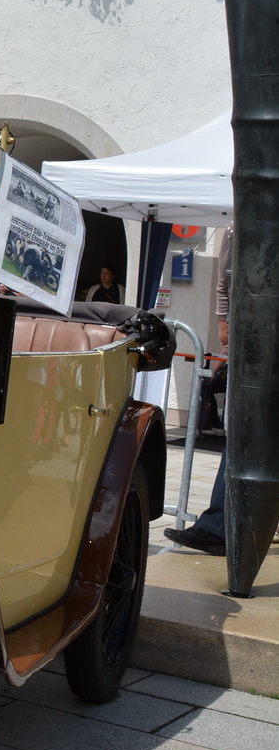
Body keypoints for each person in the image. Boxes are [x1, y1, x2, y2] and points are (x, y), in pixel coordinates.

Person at [166, 225, 232, 554]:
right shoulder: (239, 226)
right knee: (241, 438)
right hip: (254, 344)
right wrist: (224, 324)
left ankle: (221, 526)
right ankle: (218, 526)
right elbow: (225, 280)